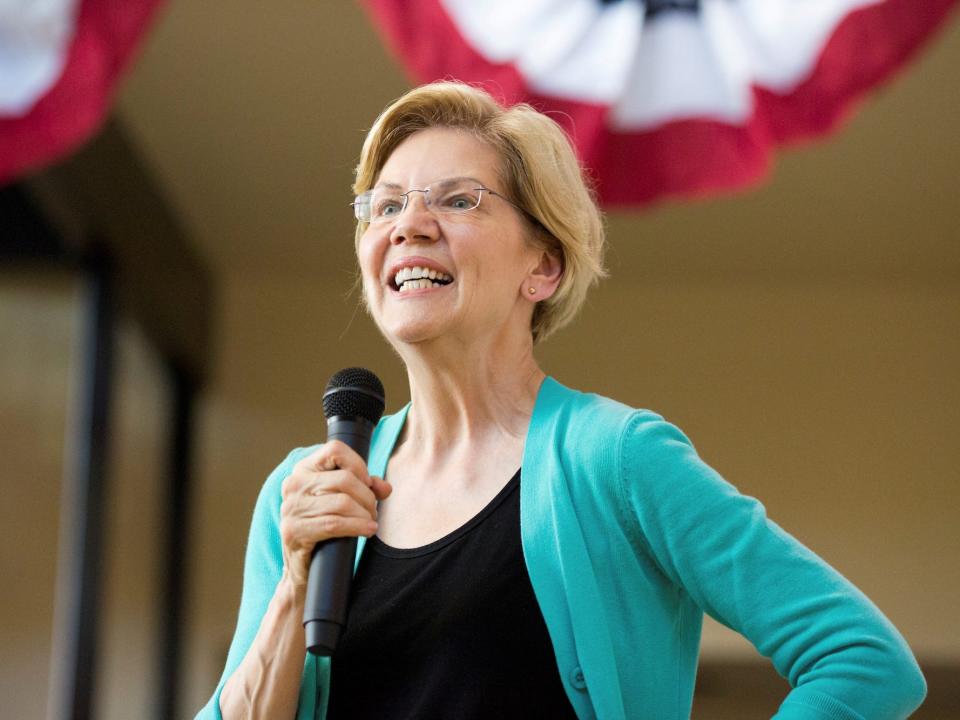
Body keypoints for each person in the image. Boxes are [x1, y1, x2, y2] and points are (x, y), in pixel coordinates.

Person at [198, 81, 926, 720]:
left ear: (543, 266)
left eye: (457, 200)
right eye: (384, 205)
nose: (407, 225)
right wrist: (294, 586)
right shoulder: (307, 492)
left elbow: (862, 660)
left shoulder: (616, 459)